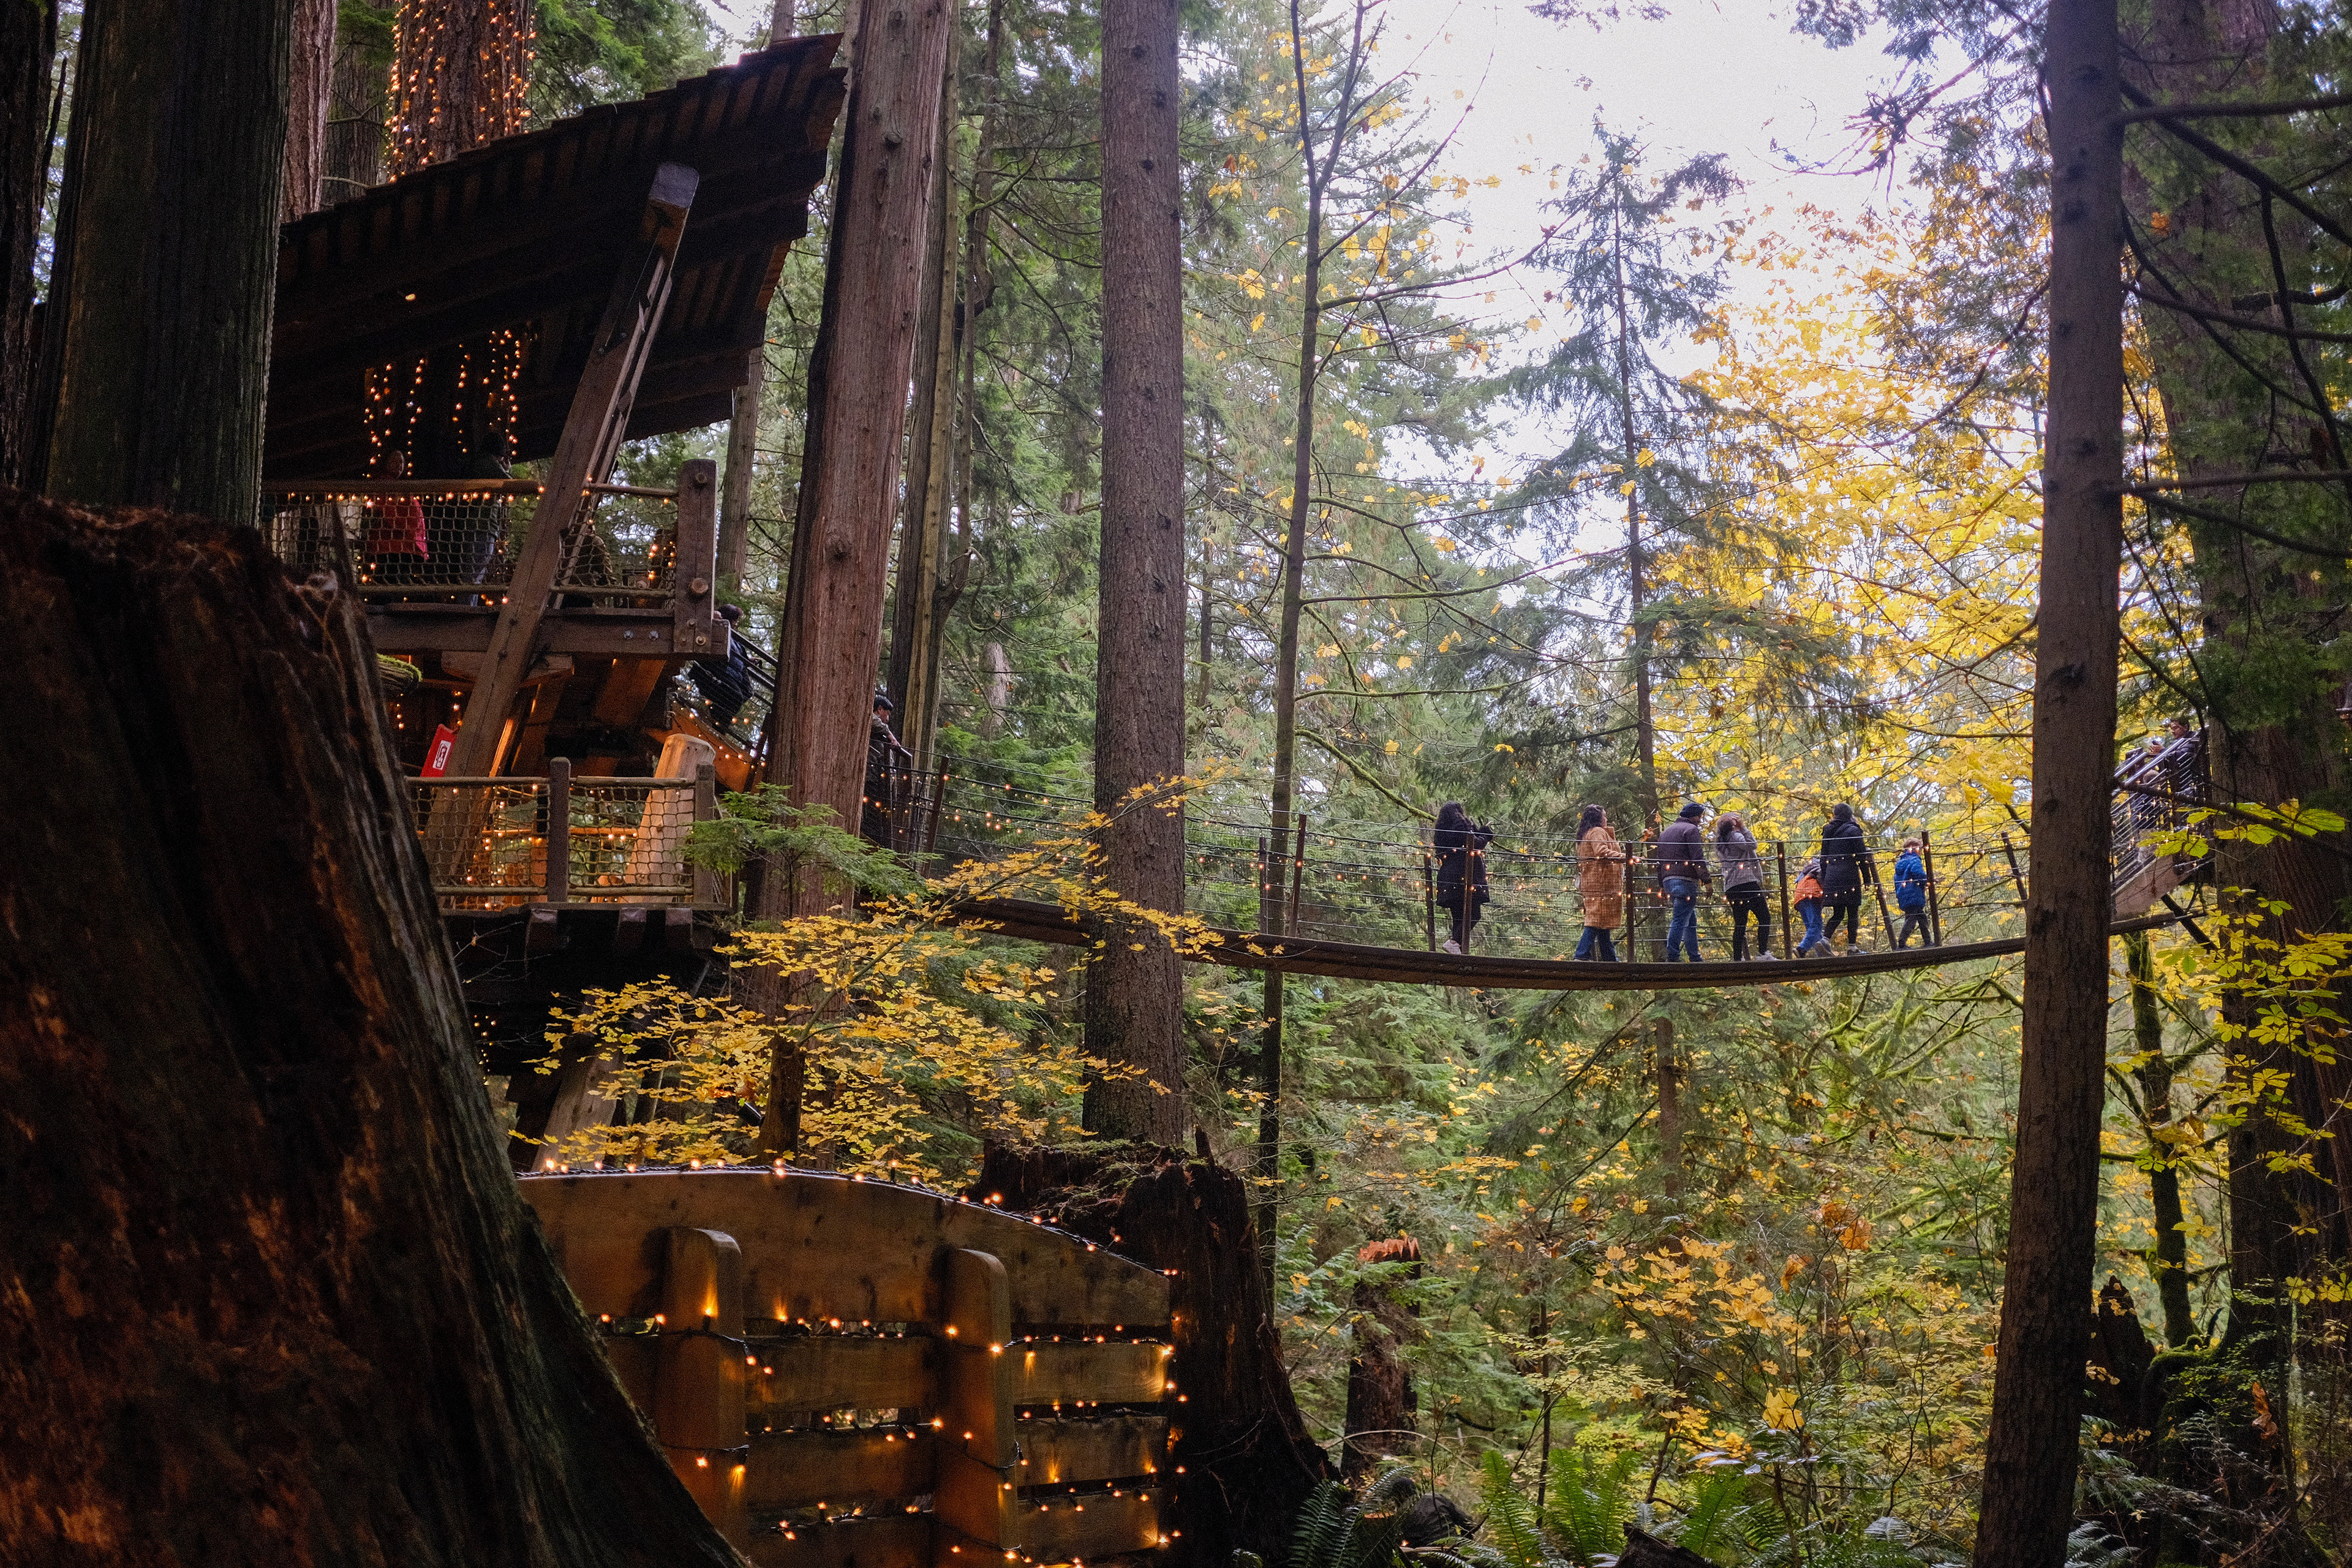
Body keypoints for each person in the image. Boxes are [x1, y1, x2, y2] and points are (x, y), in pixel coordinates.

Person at [1433, 801, 1494, 955]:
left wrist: (1478, 834)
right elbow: (1474, 844)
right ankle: (1454, 943)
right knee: (1474, 914)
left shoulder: (1442, 831)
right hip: (1465, 877)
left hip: (1448, 877)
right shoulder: (1462, 825)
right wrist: (1485, 834)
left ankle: (1457, 950)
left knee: (1459, 917)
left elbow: (1467, 842)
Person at [361, 448, 428, 587]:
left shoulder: (397, 486)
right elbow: (390, 513)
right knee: (392, 583)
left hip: (401, 545)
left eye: (402, 462)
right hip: (394, 545)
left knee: (395, 582)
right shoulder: (384, 484)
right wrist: (408, 528)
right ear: (386, 463)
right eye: (395, 461)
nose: (399, 465)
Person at [1655, 801, 1712, 962]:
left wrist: (1662, 883)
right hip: (1685, 880)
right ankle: (1673, 956)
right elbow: (1697, 857)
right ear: (1693, 817)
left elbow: (1659, 861)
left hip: (1669, 880)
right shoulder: (1691, 830)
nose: (1700, 821)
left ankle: (1695, 956)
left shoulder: (1665, 833)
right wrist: (1706, 880)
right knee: (1680, 919)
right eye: (1699, 817)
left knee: (1690, 919)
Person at [1713, 812, 1775, 960]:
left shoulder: (1720, 842)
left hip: (1732, 886)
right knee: (1764, 917)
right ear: (1734, 825)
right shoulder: (1735, 836)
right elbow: (1752, 845)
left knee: (1740, 923)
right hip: (1746, 882)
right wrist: (1744, 829)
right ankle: (1763, 953)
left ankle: (1737, 958)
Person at [1818, 802, 1875, 954]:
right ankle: (1852, 948)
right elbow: (1862, 857)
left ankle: (1824, 940)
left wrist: (1825, 879)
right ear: (1850, 815)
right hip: (1848, 873)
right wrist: (1867, 878)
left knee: (1838, 913)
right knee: (1852, 912)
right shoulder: (1853, 830)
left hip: (1832, 874)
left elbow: (1823, 858)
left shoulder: (1828, 830)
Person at [1573, 804, 1626, 962]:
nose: (1607, 818)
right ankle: (1581, 955)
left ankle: (1610, 959)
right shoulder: (1597, 832)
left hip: (1593, 882)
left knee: (1602, 920)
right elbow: (1601, 852)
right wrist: (1624, 857)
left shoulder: (1585, 834)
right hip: (1601, 883)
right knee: (1596, 920)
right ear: (1598, 818)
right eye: (1604, 815)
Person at [864, 691, 915, 846]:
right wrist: (890, 735)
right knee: (872, 812)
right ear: (879, 709)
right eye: (887, 713)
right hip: (871, 776)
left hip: (878, 778)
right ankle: (872, 839)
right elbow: (872, 720)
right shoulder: (873, 721)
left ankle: (878, 841)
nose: (888, 719)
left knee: (879, 813)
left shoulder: (879, 729)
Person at [1894, 837, 1932, 948]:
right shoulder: (1915, 860)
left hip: (1904, 895)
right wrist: (1927, 881)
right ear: (1916, 848)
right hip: (1914, 895)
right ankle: (1901, 944)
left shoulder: (1901, 862)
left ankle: (1928, 941)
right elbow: (1918, 874)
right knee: (1911, 920)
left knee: (1921, 918)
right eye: (1920, 848)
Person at [1792, 857, 1826, 956]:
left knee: (1812, 928)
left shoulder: (1807, 871)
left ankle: (1823, 955)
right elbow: (1822, 879)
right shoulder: (1820, 868)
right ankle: (1802, 949)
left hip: (1799, 896)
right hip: (1812, 893)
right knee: (1817, 925)